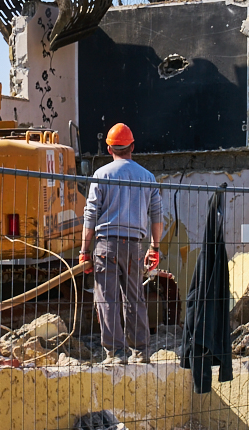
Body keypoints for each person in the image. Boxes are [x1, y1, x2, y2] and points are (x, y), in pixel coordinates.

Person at [78, 122, 163, 365]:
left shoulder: (101, 175)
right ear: (132, 147)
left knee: (106, 298)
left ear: (109, 149)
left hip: (107, 245)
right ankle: (141, 352)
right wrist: (155, 247)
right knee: (135, 298)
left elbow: (90, 215)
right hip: (135, 245)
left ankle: (115, 354)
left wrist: (85, 250)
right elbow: (157, 214)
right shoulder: (147, 177)